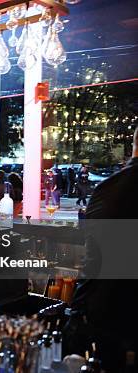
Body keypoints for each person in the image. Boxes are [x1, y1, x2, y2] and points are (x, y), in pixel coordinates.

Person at [65, 127, 138, 372]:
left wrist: (76, 310)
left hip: (108, 312)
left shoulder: (107, 188)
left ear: (134, 146)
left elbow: (93, 259)